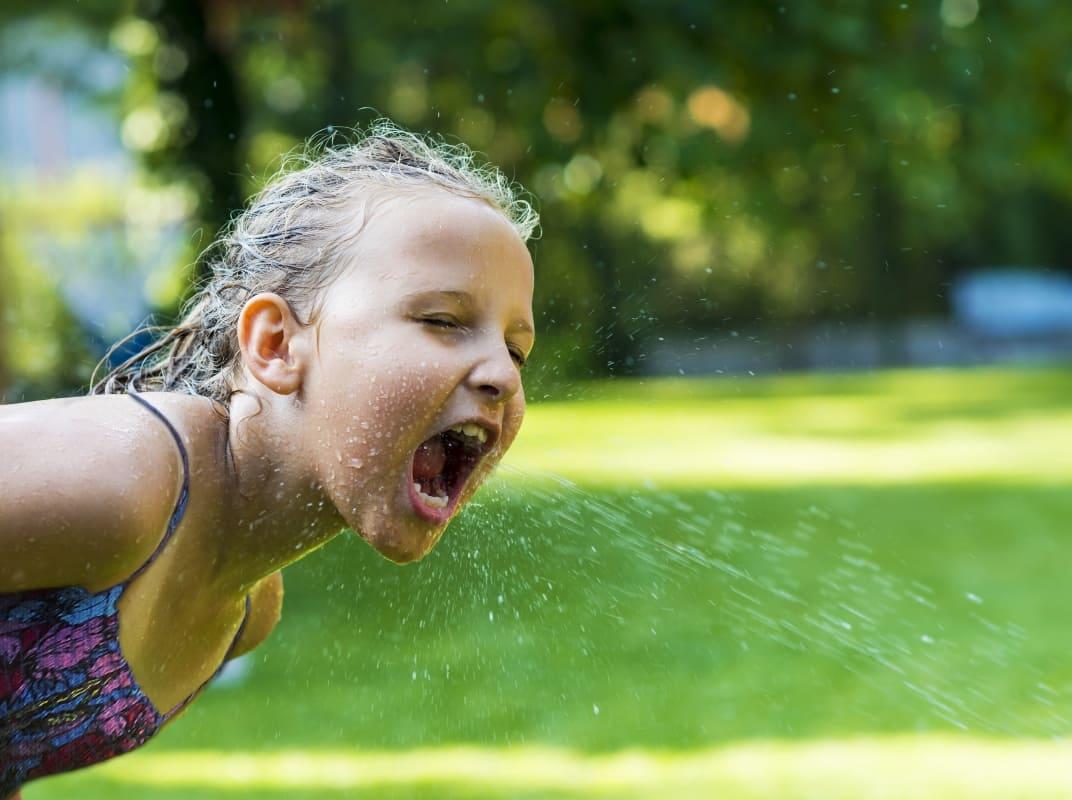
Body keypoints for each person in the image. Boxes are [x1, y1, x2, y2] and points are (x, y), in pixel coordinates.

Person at [0, 118, 538, 797]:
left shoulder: (246, 610)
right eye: (442, 321)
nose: (502, 373)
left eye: (518, 349)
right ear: (277, 345)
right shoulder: (130, 479)